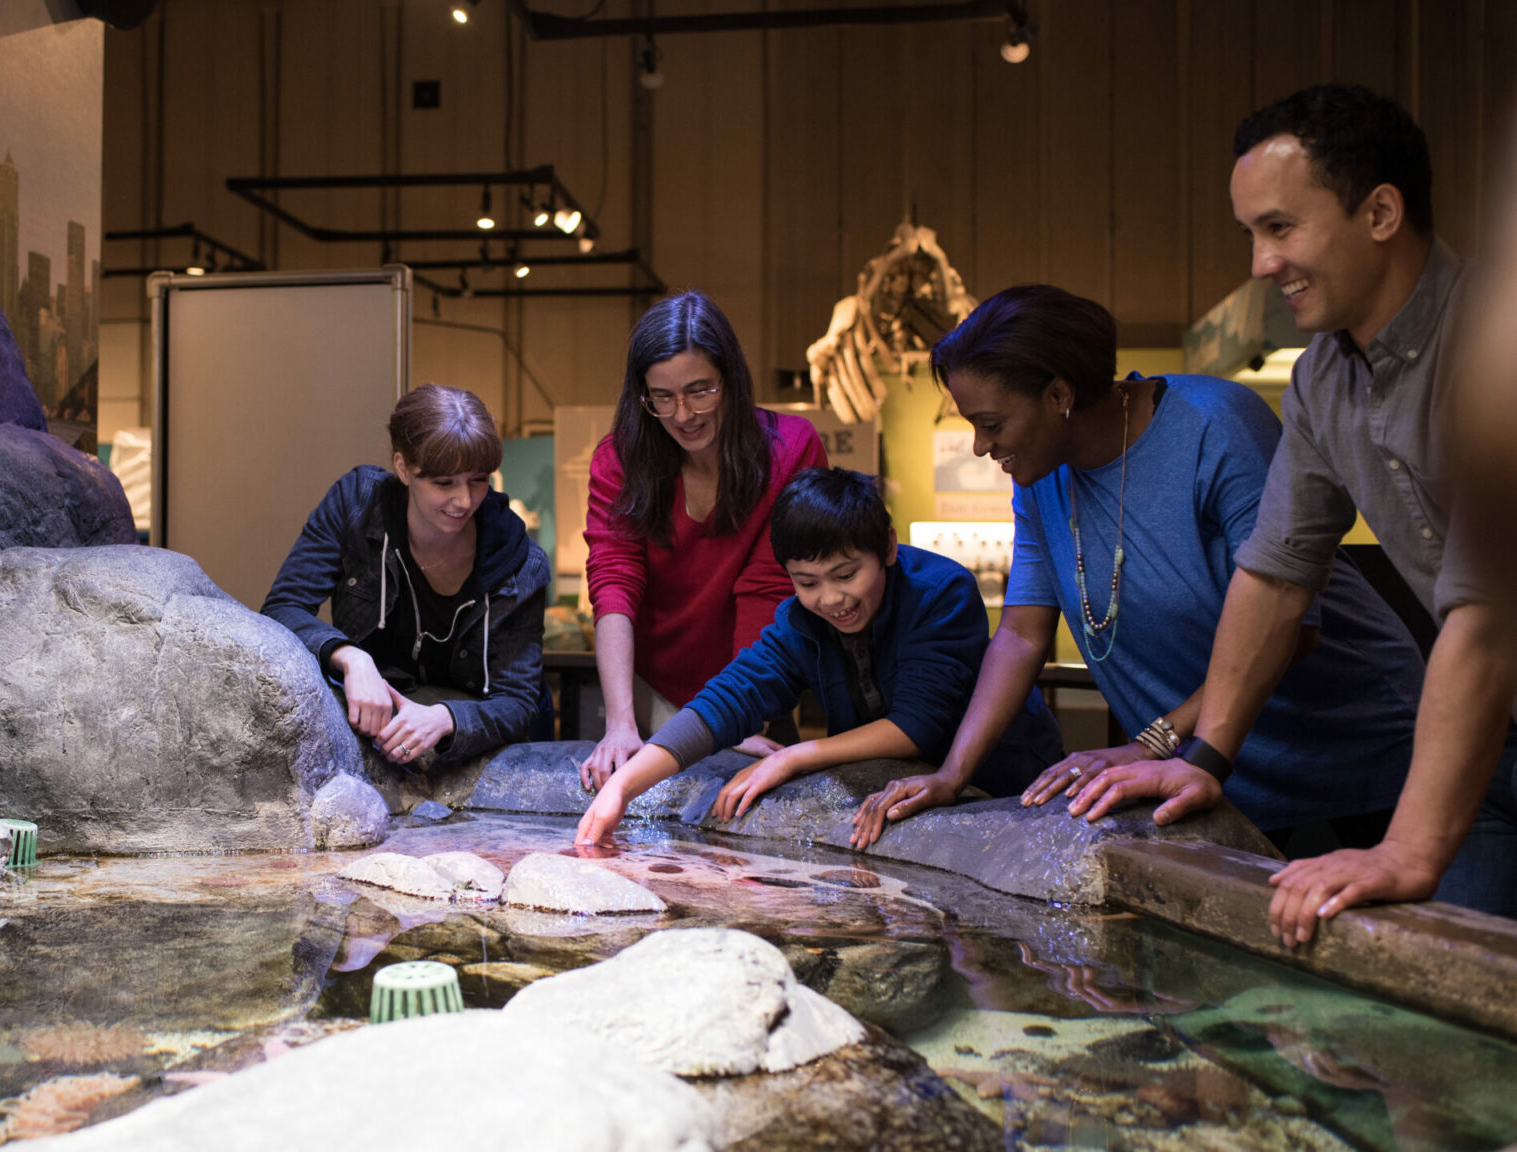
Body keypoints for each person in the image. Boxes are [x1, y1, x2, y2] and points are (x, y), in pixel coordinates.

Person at [1060, 84, 1517, 942]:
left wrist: (1407, 848)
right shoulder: (1319, 379)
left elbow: (1489, 612)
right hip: (1486, 747)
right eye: (1251, 234)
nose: (1262, 263)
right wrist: (1204, 758)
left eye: (1279, 227)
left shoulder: (1496, 337)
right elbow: (1273, 575)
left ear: (1380, 212)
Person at [845, 285, 1424, 853]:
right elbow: (1021, 635)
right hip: (1205, 772)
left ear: (1059, 394)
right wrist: (951, 774)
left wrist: (1155, 742)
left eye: (992, 425)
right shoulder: (1039, 474)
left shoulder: (1216, 425)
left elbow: (1290, 625)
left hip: (1355, 752)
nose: (978, 446)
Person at [574, 467, 1059, 846]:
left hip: (1007, 785)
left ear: (887, 548)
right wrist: (623, 788)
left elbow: (917, 726)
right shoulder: (800, 621)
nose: (830, 599)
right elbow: (728, 699)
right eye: (807, 582)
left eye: (846, 575)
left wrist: (794, 758)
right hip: (893, 789)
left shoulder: (941, 592)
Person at [577, 291, 828, 789]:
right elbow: (614, 583)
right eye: (662, 397)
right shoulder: (621, 458)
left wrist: (739, 717)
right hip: (644, 696)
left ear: (730, 379)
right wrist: (620, 724)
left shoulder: (791, 449)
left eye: (700, 391)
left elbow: (765, 590)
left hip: (751, 693)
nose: (683, 414)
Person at [262, 384, 550, 768]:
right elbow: (282, 608)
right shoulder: (356, 505)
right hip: (385, 733)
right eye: (444, 483)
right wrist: (349, 656)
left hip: (484, 748)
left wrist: (445, 718)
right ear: (403, 467)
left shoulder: (521, 561)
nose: (464, 500)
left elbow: (518, 701)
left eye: (479, 480)